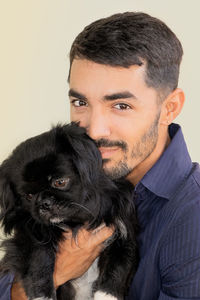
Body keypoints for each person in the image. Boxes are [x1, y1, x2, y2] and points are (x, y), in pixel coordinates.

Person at [1, 11, 200, 300]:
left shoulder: (192, 219)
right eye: (80, 102)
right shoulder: (56, 175)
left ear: (169, 108)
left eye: (120, 105)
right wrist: (50, 276)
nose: (93, 131)